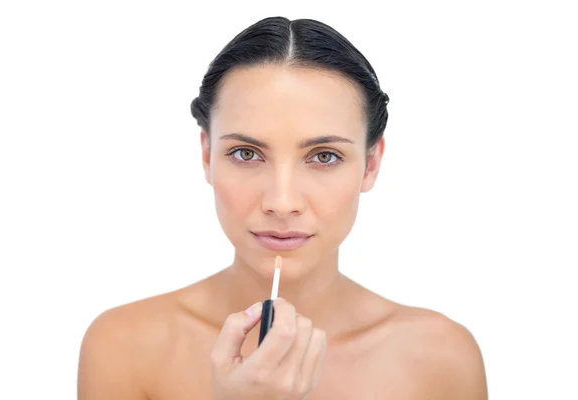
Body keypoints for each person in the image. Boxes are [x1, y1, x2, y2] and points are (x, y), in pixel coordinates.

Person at [77, 16, 488, 399]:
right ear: (206, 155)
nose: (282, 202)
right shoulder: (125, 347)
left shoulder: (441, 360)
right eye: (245, 153)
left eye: (324, 156)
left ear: (371, 164)